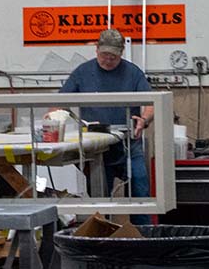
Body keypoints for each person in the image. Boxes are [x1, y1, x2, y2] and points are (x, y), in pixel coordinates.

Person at [56, 28, 153, 225]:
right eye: (104, 55)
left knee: (140, 189)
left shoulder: (133, 73)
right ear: (96, 50)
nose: (108, 60)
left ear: (121, 54)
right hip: (97, 147)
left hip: (128, 143)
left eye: (113, 57)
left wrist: (144, 119)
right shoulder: (82, 73)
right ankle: (102, 237)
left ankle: (143, 238)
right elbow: (59, 103)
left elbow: (151, 103)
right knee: (99, 196)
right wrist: (55, 122)